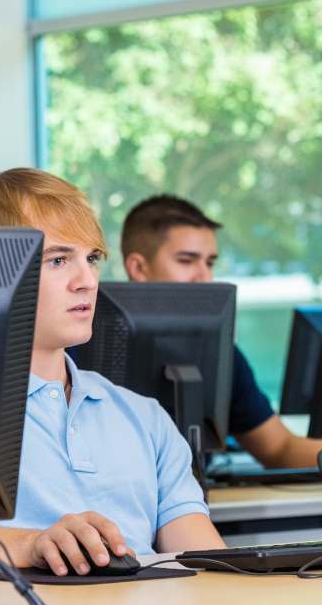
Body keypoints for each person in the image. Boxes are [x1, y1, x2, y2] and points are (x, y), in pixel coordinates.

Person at [0, 170, 225, 573]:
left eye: (92, 258)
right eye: (59, 260)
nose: (87, 282)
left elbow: (205, 558)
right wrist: (34, 543)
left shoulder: (143, 416)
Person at [121, 194, 322, 469]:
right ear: (138, 268)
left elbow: (279, 447)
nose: (204, 276)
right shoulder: (80, 347)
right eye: (187, 260)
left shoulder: (219, 353)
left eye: (210, 262)